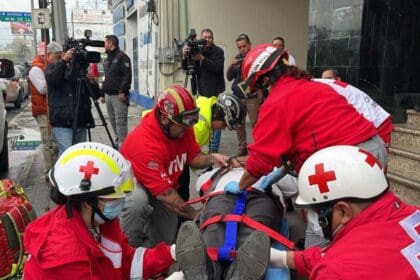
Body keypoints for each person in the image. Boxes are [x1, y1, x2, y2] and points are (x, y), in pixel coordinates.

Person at [225, 44, 387, 194]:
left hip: (348, 163)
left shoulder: (276, 102)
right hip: (373, 150)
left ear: (266, 80)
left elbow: (261, 158)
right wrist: (279, 173)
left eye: (260, 87)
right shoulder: (312, 86)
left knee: (327, 218)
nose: (262, 93)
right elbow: (305, 141)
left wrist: (241, 185)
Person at [261, 145, 420, 279]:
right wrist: (282, 258)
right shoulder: (412, 215)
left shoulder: (337, 272)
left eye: (316, 213)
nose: (313, 219)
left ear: (343, 211)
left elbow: (343, 262)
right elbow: (339, 255)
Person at [23, 142, 176, 279]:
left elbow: (127, 263)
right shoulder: (65, 255)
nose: (121, 203)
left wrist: (173, 253)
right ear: (88, 202)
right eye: (115, 198)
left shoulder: (98, 222)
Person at [119, 85, 230, 248]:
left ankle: (153, 258)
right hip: (136, 184)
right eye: (184, 126)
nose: (188, 129)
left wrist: (213, 158)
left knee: (167, 235)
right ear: (165, 119)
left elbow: (193, 158)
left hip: (162, 184)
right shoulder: (145, 144)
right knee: (137, 202)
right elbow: (167, 195)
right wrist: (197, 216)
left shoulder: (182, 125)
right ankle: (128, 251)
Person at [175, 165, 295, 280]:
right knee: (220, 229)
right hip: (232, 195)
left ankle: (211, 270)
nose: (242, 160)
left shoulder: (217, 174)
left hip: (250, 196)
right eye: (238, 159)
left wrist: (276, 171)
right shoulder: (216, 172)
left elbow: (294, 186)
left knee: (222, 231)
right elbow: (294, 187)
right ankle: (232, 272)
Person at [319, 68, 394, 150]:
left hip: (379, 125)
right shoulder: (337, 89)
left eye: (328, 79)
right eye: (322, 79)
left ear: (338, 79)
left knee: (376, 160)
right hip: (367, 125)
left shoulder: (336, 89)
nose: (325, 82)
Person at [45, 42, 94, 155]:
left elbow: (93, 95)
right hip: (62, 121)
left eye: (60, 56)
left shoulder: (76, 71)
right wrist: (63, 61)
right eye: (56, 57)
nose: (59, 59)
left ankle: (78, 173)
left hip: (80, 119)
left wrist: (92, 83)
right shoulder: (50, 69)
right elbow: (53, 79)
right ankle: (63, 173)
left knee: (81, 154)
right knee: (67, 155)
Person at [182, 28, 225, 153]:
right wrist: (185, 56)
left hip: (215, 91)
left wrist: (202, 59)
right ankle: (204, 142)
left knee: (216, 118)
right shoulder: (197, 50)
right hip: (200, 92)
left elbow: (217, 68)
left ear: (213, 38)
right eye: (204, 37)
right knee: (203, 119)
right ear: (200, 39)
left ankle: (214, 148)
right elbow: (186, 67)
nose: (207, 40)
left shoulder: (218, 52)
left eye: (209, 37)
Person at [28, 41, 58, 180]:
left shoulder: (46, 66)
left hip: (50, 109)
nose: (57, 60)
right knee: (48, 142)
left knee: (53, 142)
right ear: (48, 54)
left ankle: (55, 169)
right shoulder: (36, 69)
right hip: (42, 110)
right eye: (56, 57)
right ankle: (49, 172)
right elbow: (42, 89)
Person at [227, 33, 259, 157]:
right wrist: (231, 65)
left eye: (244, 46)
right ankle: (242, 147)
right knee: (239, 123)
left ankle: (257, 147)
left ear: (249, 45)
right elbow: (229, 77)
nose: (242, 49)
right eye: (239, 47)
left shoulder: (256, 57)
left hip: (252, 96)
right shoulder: (236, 59)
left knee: (255, 124)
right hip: (238, 96)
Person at [100, 35, 132, 148]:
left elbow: (127, 76)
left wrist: (123, 91)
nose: (104, 45)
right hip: (108, 96)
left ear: (111, 43)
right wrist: (102, 94)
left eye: (105, 43)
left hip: (119, 96)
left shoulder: (122, 57)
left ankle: (124, 145)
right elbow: (105, 77)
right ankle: (118, 139)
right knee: (112, 120)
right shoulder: (107, 59)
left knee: (120, 121)